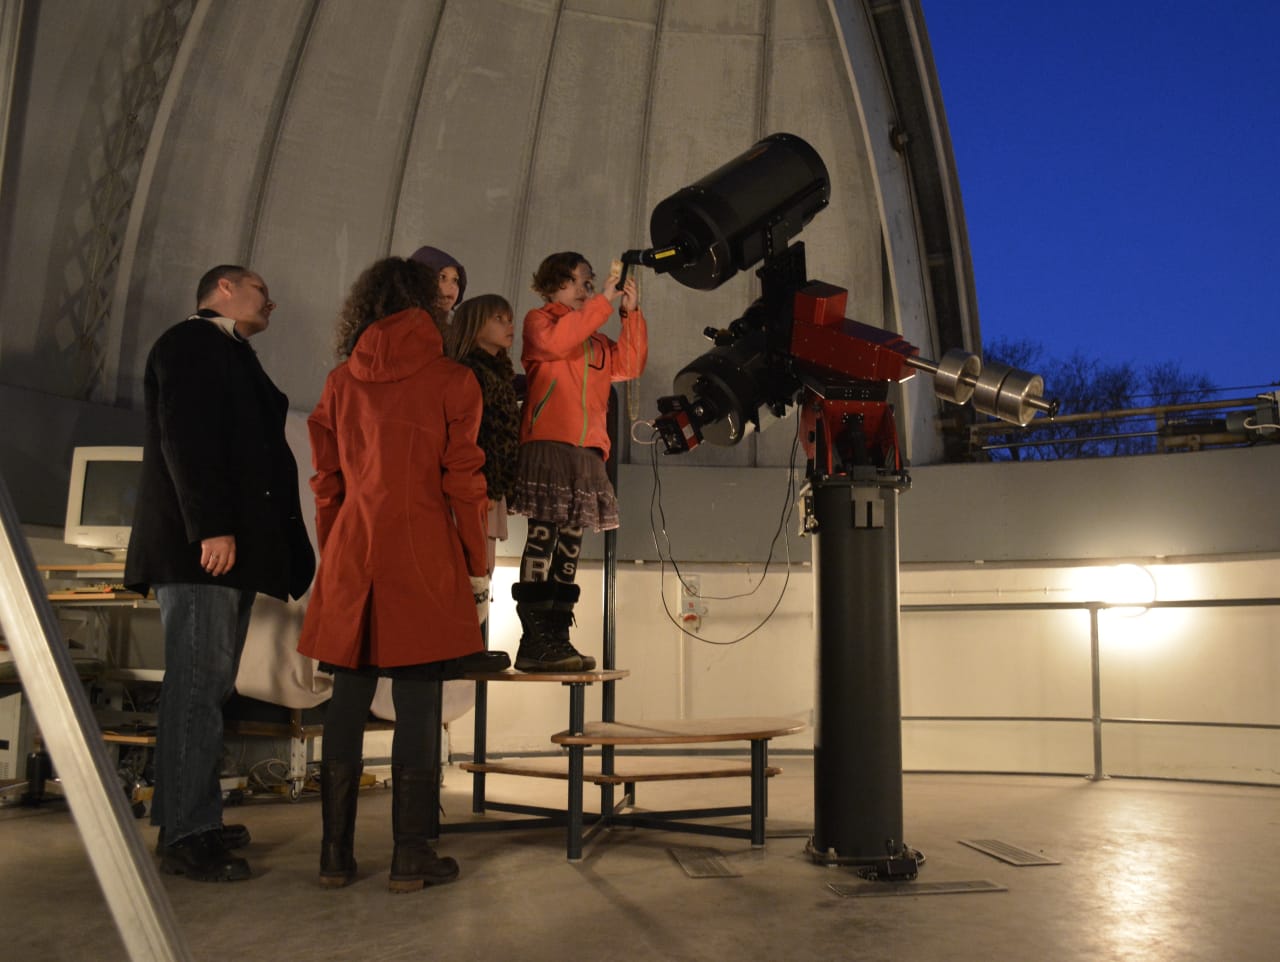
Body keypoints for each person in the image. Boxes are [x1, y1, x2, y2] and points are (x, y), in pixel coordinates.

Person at [296, 256, 504, 893]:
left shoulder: (339, 382)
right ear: (428, 306)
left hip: (354, 553)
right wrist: (476, 565)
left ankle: (335, 857)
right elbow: (465, 482)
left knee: (346, 701)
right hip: (424, 553)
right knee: (418, 701)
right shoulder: (452, 379)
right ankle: (410, 854)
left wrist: (337, 561)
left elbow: (327, 484)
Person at [124, 265, 316, 882]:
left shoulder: (227, 351)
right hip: (199, 550)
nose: (273, 299)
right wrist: (210, 526)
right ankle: (186, 831)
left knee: (209, 688)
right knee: (197, 688)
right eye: (263, 288)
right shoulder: (190, 342)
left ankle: (193, 812)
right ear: (224, 289)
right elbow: (188, 438)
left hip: (218, 552)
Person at [507, 252, 647, 672]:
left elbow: (630, 364)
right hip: (549, 446)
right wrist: (603, 302)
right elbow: (558, 342)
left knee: (570, 542)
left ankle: (556, 637)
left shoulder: (596, 339)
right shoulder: (540, 322)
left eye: (591, 283)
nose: (590, 290)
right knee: (543, 537)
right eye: (584, 283)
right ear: (557, 283)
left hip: (587, 453)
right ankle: (533, 641)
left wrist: (630, 314)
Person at [445, 294, 520, 581]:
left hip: (491, 487)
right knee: (472, 570)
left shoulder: (498, 376)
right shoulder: (470, 373)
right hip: (477, 486)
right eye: (498, 319)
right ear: (474, 326)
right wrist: (488, 486)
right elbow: (480, 434)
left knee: (483, 570)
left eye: (509, 319)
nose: (508, 325)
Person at [408, 245, 466, 326]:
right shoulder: (404, 324)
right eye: (442, 277)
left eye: (455, 280)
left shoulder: (458, 328)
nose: (452, 286)